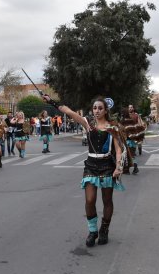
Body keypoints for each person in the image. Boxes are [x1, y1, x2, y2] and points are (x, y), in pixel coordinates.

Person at [43, 94, 126, 247]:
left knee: (107, 200)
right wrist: (51, 102)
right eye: (94, 108)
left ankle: (104, 230)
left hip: (107, 165)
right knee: (90, 200)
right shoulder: (88, 124)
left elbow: (118, 149)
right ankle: (92, 230)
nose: (97, 111)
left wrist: (118, 168)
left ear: (106, 110)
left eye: (100, 108)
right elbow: (69, 112)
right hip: (91, 165)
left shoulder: (112, 127)